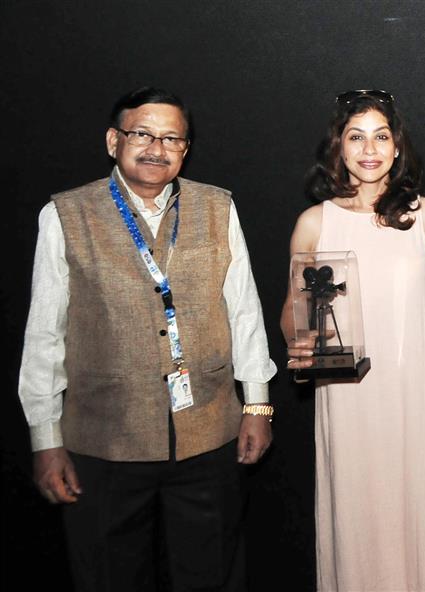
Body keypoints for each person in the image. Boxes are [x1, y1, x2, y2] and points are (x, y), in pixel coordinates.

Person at [17, 86, 277, 591]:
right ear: (114, 140)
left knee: (214, 576)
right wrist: (45, 441)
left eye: (171, 138)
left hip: (209, 435)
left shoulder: (218, 207)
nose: (156, 148)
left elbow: (244, 309)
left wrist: (258, 406)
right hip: (104, 441)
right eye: (142, 134)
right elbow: (44, 334)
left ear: (185, 150)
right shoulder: (66, 215)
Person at [281, 90, 425, 591]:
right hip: (350, 401)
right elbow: (293, 308)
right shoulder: (313, 223)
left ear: (397, 148)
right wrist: (299, 340)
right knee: (360, 516)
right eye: (356, 136)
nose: (369, 149)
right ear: (339, 148)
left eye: (381, 136)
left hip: (422, 397)